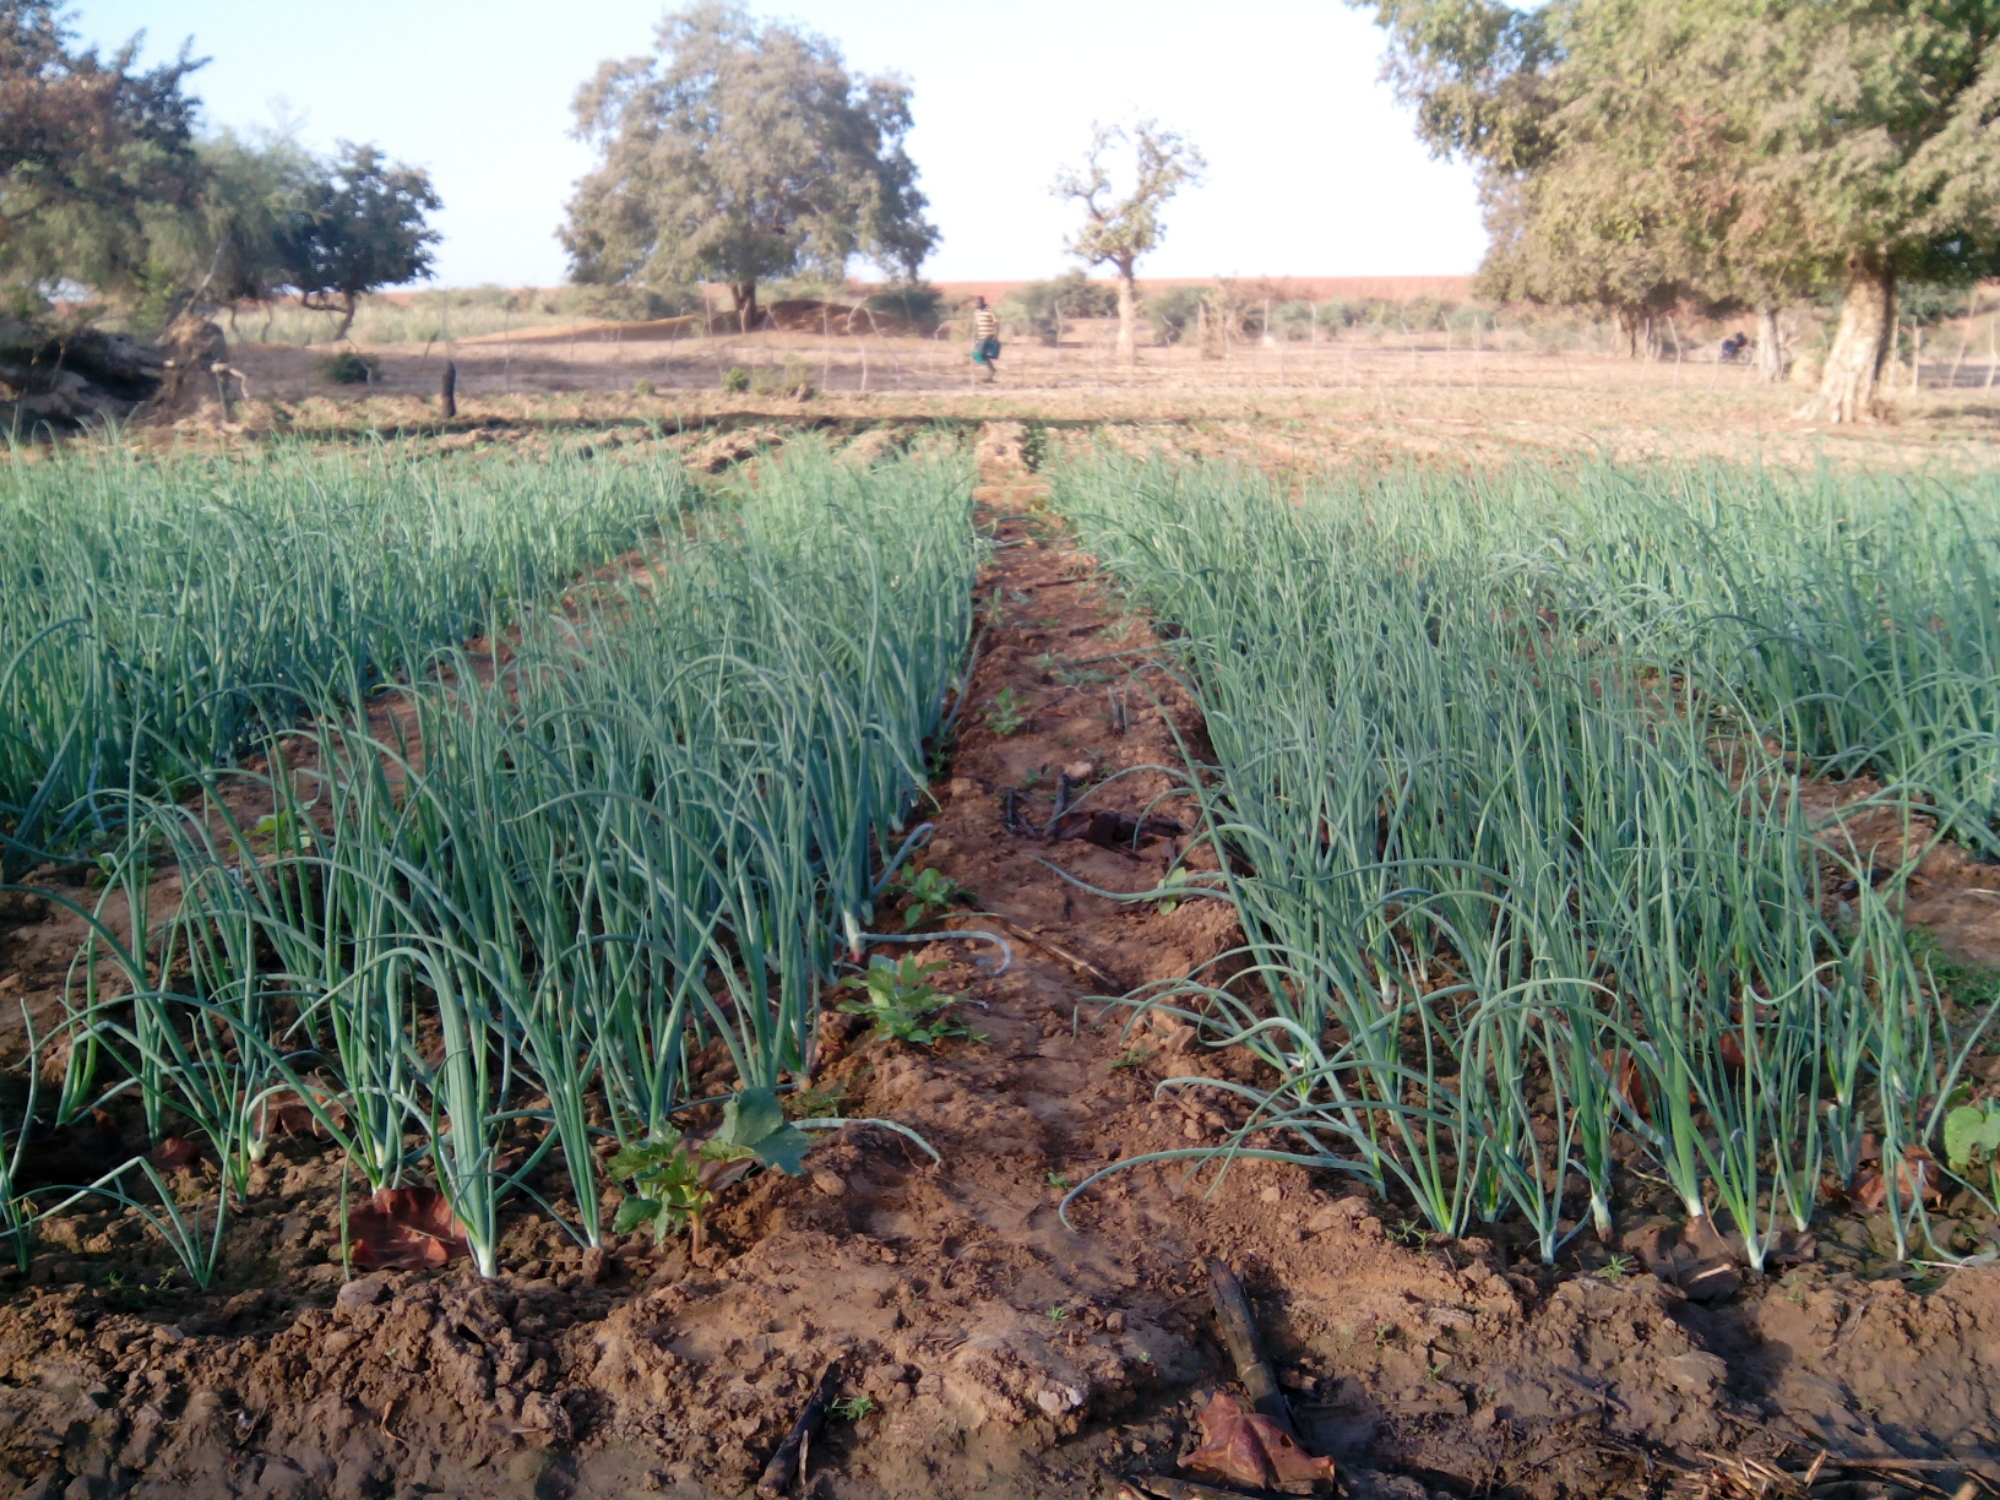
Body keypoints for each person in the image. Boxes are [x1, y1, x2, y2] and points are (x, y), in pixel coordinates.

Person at [970, 296, 1001, 382]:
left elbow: (996, 323)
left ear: (983, 302)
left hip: (987, 336)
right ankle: (991, 371)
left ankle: (991, 370)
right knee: (977, 354)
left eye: (978, 303)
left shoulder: (990, 311)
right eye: (976, 303)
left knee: (980, 354)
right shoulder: (976, 312)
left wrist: (996, 335)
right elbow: (977, 325)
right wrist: (975, 336)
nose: (976, 304)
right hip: (980, 336)